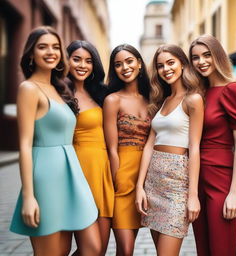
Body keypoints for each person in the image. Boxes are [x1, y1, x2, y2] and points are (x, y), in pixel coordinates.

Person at [10, 26, 101, 256]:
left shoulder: (59, 88)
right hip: (46, 177)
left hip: (72, 174)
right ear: (31, 54)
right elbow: (24, 145)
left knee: (93, 247)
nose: (50, 52)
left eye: (55, 47)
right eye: (42, 47)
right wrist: (29, 197)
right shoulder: (28, 88)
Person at [135, 44, 203, 256]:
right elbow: (148, 146)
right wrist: (140, 186)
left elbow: (194, 147)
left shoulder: (193, 99)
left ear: (182, 64)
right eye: (160, 66)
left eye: (170, 63)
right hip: (154, 183)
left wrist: (193, 195)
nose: (166, 69)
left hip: (176, 187)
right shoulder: (162, 101)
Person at [189, 34, 236, 256]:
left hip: (222, 181)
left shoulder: (231, 88)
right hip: (197, 179)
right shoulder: (198, 93)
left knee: (222, 251)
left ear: (218, 56)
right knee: (203, 251)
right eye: (195, 58)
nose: (201, 62)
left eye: (207, 55)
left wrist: (234, 192)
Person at [66, 40, 114, 255]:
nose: (82, 65)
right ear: (65, 61)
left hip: (103, 171)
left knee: (100, 248)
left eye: (88, 61)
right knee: (91, 249)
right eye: (76, 59)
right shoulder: (60, 94)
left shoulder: (101, 93)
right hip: (79, 170)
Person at [103, 44, 151, 256]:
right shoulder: (113, 100)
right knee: (126, 248)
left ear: (139, 63)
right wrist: (117, 181)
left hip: (149, 178)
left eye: (129, 61)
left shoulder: (152, 99)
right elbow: (111, 149)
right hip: (123, 177)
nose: (125, 67)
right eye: (118, 64)